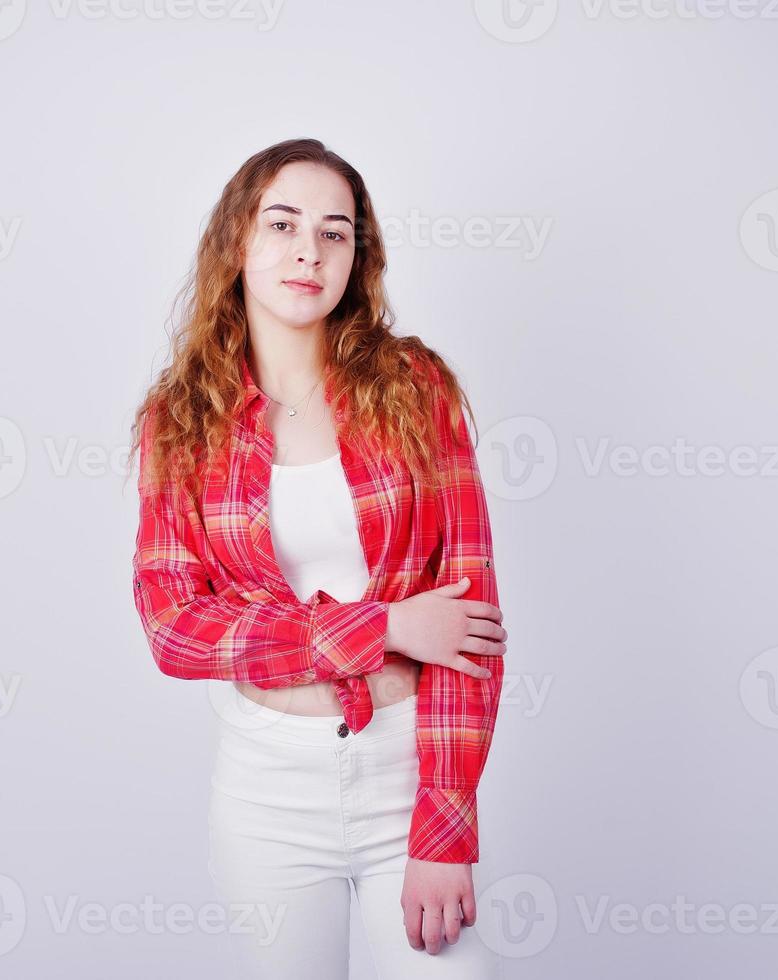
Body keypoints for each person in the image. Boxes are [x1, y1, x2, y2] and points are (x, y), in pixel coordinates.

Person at [129, 137, 507, 979]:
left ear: (356, 260)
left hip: (406, 772)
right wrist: (383, 628)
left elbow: (469, 624)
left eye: (336, 232)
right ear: (238, 241)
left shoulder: (415, 389)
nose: (309, 249)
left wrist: (445, 826)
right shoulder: (180, 419)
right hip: (267, 790)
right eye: (283, 223)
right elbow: (174, 628)